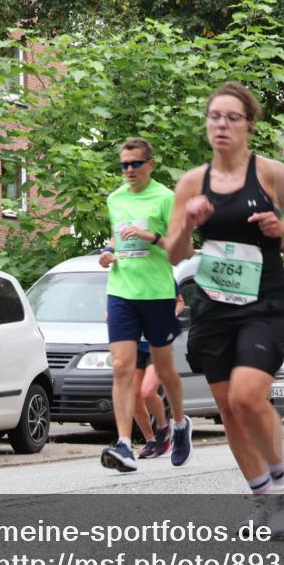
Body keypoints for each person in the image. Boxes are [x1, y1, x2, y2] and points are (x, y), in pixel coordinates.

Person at [165, 82, 284, 536]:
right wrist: (189, 225)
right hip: (213, 305)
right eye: (215, 116)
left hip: (265, 302)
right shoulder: (192, 183)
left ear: (249, 125)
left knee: (246, 396)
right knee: (227, 408)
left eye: (232, 117)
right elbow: (175, 254)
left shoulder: (271, 174)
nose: (221, 125)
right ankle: (264, 499)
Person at [98, 138, 191, 473]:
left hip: (157, 293)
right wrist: (106, 255)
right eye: (124, 165)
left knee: (164, 371)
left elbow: (183, 251)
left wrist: (150, 237)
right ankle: (124, 444)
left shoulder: (166, 198)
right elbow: (115, 239)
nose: (129, 171)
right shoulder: (115, 199)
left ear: (150, 163)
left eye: (135, 164)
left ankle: (179, 425)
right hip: (121, 290)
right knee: (122, 367)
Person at [134, 286, 186, 459]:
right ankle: (151, 441)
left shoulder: (159, 272)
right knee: (134, 397)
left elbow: (179, 301)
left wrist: (172, 315)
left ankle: (164, 428)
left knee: (147, 391)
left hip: (156, 345)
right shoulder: (126, 275)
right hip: (134, 346)